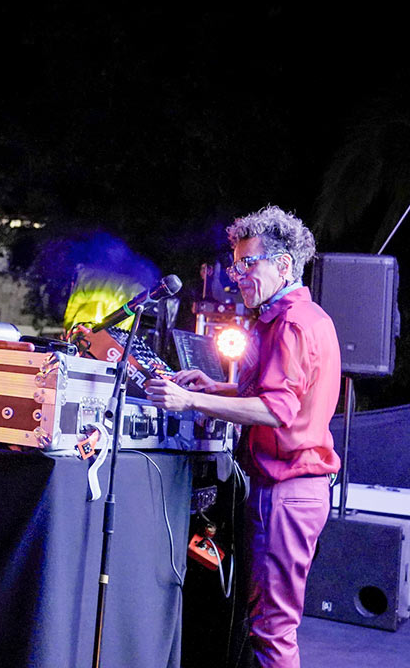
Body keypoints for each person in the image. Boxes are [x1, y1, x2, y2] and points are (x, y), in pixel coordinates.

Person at [144, 206, 341, 668]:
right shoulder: (302, 316)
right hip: (291, 491)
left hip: (287, 492)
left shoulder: (291, 324)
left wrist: (190, 401)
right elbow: (278, 395)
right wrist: (215, 388)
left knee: (273, 631)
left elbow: (276, 411)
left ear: (284, 264)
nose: (237, 277)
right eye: (235, 266)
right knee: (265, 624)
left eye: (247, 264)